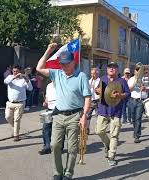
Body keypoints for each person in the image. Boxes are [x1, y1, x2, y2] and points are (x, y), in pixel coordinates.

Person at [36, 43, 91, 180]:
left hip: (74, 116)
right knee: (55, 145)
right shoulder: (57, 74)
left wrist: (84, 116)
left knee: (72, 148)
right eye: (61, 64)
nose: (63, 66)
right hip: (59, 116)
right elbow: (39, 68)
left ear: (73, 62)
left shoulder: (81, 76)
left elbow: (87, 98)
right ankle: (58, 172)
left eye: (66, 64)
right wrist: (48, 50)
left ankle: (68, 173)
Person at [95, 62, 130, 166]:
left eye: (114, 67)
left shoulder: (122, 81)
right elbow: (97, 90)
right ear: (107, 70)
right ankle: (108, 145)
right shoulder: (102, 79)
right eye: (110, 67)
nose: (112, 69)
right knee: (99, 131)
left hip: (116, 111)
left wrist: (120, 95)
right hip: (103, 110)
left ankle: (111, 156)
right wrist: (97, 90)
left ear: (117, 70)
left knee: (114, 135)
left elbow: (128, 94)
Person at [4, 65, 33, 141]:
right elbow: (5, 82)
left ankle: (16, 135)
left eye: (17, 71)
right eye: (14, 71)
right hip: (10, 103)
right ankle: (15, 128)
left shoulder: (23, 79)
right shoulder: (10, 77)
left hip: (20, 103)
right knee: (7, 117)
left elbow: (30, 88)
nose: (15, 73)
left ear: (20, 72)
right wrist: (14, 77)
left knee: (17, 119)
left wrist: (27, 79)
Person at [127, 63, 149, 143]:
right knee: (133, 118)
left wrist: (145, 89)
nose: (138, 71)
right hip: (132, 100)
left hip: (141, 100)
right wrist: (134, 85)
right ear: (134, 71)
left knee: (138, 118)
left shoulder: (146, 79)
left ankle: (137, 135)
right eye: (137, 69)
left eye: (139, 69)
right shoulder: (131, 79)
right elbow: (128, 90)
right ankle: (135, 130)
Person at [39, 81, 56, 155]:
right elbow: (47, 96)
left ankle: (59, 147)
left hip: (59, 110)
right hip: (49, 109)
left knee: (59, 129)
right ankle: (47, 147)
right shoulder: (49, 85)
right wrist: (45, 101)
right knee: (45, 128)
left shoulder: (63, 83)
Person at [87, 67, 100, 135]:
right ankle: (87, 129)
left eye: (94, 73)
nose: (93, 75)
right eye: (92, 73)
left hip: (98, 100)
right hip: (91, 99)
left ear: (97, 74)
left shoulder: (100, 81)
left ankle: (98, 129)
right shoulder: (89, 81)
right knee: (88, 115)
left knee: (98, 115)